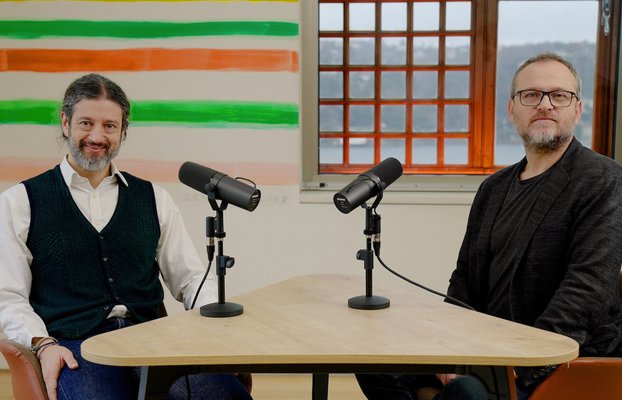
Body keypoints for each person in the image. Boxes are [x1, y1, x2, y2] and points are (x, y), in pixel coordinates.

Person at [356, 52, 622, 400]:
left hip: (552, 359)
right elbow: (464, 280)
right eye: (531, 95)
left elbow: (587, 289)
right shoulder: (493, 188)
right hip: (486, 345)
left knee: (466, 392)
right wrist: (448, 349)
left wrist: (517, 367)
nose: (545, 104)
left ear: (577, 109)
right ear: (512, 109)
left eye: (559, 95)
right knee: (371, 360)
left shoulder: (602, 179)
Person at [0, 73, 253, 400]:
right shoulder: (20, 201)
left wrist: (217, 328)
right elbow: (8, 295)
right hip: (76, 347)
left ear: (123, 131)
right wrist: (44, 345)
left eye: (109, 126)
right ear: (65, 123)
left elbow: (191, 278)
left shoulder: (154, 198)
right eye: (86, 123)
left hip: (154, 341)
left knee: (223, 396)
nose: (97, 136)